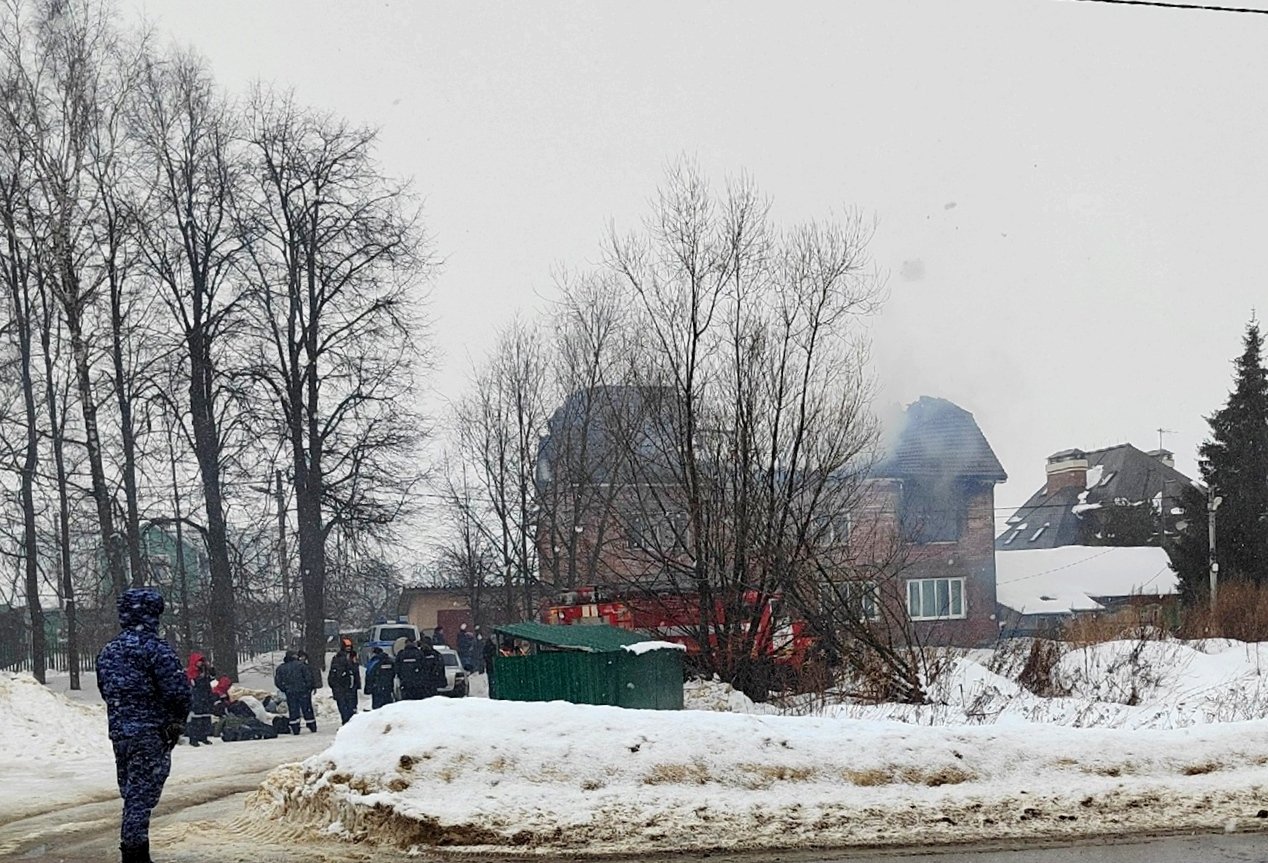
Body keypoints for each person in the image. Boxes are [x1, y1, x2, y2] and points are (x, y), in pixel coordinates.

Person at [96, 588, 191, 863]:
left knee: (132, 791)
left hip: (120, 733)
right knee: (141, 795)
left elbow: (106, 689)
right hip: (150, 732)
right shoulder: (155, 649)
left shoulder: (109, 651)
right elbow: (178, 692)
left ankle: (135, 849)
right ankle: (135, 854)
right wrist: (174, 723)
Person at [274, 650, 317, 734]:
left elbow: (278, 681)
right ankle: (312, 725)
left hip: (290, 692)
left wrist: (285, 689)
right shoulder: (302, 666)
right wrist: (308, 688)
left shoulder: (281, 668)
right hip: (303, 691)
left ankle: (295, 728)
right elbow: (309, 678)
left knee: (293, 710)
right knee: (307, 708)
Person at [327, 640, 361, 725]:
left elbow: (356, 671)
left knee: (348, 705)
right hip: (343, 686)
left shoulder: (352, 656)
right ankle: (348, 721)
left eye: (349, 647)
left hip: (348, 686)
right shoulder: (339, 658)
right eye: (347, 647)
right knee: (346, 705)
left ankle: (348, 721)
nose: (348, 648)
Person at [186, 653, 215, 746]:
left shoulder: (204, 671)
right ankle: (193, 739)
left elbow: (211, 679)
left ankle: (204, 737)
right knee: (196, 719)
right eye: (199, 661)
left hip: (205, 697)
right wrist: (200, 679)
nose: (201, 663)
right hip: (197, 697)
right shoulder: (192, 672)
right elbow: (193, 684)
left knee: (206, 718)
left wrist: (210, 670)